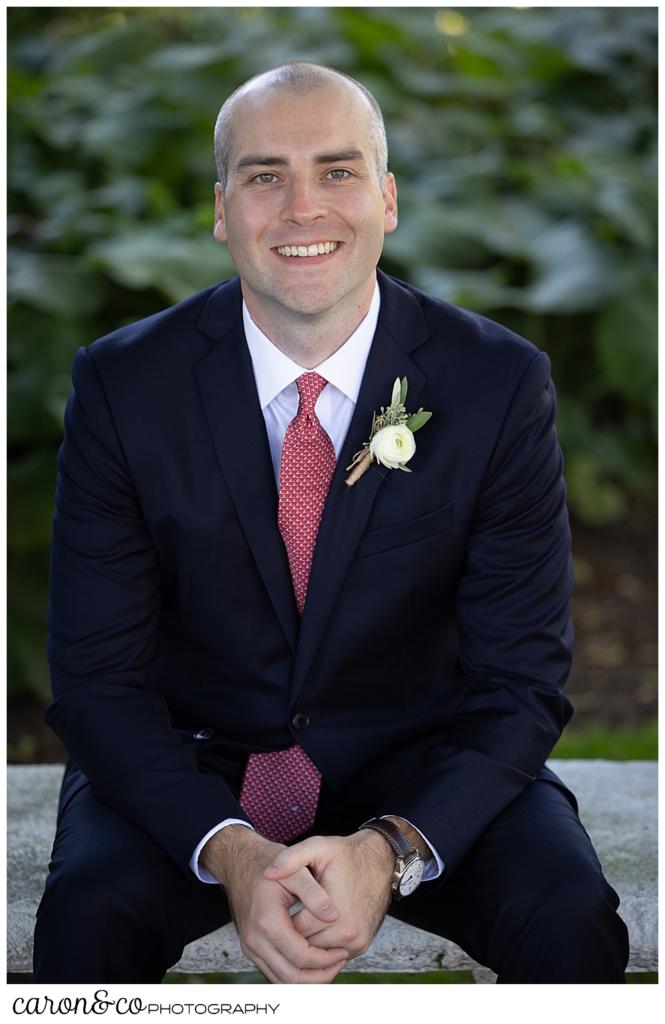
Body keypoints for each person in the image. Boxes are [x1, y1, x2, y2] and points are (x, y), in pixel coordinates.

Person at [34, 61, 629, 984]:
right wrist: (229, 850)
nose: (303, 207)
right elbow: (95, 679)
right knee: (87, 915)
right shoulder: (123, 386)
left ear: (387, 200)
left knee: (565, 913)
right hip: (191, 769)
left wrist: (390, 847)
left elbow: (520, 679)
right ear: (220, 208)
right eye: (264, 175)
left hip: (419, 760)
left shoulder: (495, 385)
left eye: (338, 171)